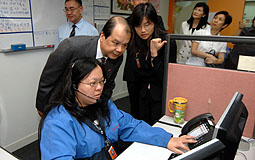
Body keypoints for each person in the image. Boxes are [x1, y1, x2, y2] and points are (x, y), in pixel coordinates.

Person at [39, 57, 196, 160]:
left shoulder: (103, 104)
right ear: (74, 86)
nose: (99, 88)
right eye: (92, 83)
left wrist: (166, 139)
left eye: (102, 81)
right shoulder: (57, 122)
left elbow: (130, 126)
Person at [36, 16, 131, 116]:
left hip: (88, 106)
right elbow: (48, 79)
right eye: (115, 43)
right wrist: (43, 108)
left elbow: (109, 83)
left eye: (125, 45)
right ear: (102, 36)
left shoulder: (117, 56)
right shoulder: (71, 47)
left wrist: (100, 106)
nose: (120, 49)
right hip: (61, 104)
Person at [123, 3, 169, 125]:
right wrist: (149, 71)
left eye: (147, 25)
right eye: (138, 26)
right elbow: (137, 71)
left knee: (158, 123)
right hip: (141, 90)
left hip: (159, 93)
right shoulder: (135, 41)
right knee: (139, 120)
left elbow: (163, 76)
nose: (143, 30)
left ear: (155, 22)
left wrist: (154, 53)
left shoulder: (166, 41)